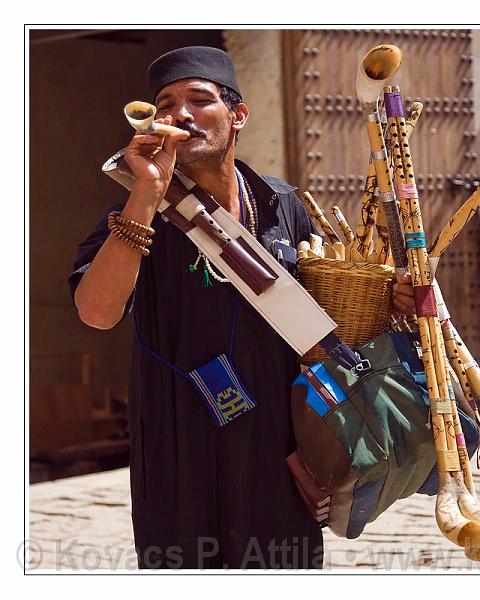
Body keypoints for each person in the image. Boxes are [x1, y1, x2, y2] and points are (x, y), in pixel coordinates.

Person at [69, 46, 414, 570]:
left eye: (199, 100)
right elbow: (96, 311)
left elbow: (329, 312)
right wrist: (146, 193)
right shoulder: (133, 211)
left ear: (238, 117)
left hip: (278, 453)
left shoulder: (281, 206)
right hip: (179, 455)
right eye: (165, 105)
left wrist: (389, 297)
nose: (180, 115)